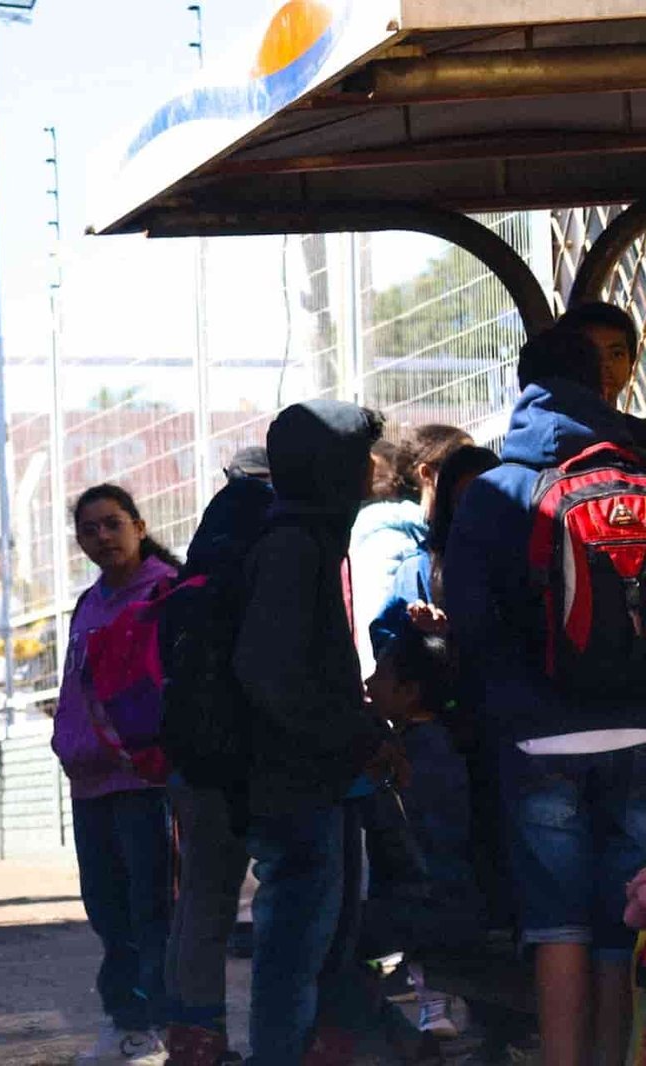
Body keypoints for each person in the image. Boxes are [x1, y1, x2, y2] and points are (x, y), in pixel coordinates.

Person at [446, 326, 646, 1066]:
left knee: (557, 922)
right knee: (625, 917)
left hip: (537, 735)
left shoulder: (499, 488)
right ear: (601, 381)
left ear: (522, 385)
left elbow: (467, 617)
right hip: (638, 729)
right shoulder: (637, 468)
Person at [231, 400, 404, 1066]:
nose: (372, 468)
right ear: (331, 465)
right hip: (294, 782)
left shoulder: (306, 536)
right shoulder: (293, 547)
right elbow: (270, 673)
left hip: (310, 776)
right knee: (293, 949)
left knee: (314, 943)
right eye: (360, 454)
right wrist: (349, 735)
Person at [52, 484, 180, 1066]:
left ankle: (159, 1026)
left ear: (139, 523)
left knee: (151, 908)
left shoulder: (166, 593)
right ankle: (128, 1022)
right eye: (89, 529)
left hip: (143, 783)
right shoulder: (87, 603)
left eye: (111, 524)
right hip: (89, 785)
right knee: (107, 908)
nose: (101, 537)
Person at [164, 447, 264, 1066]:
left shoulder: (201, 555)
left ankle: (194, 1037)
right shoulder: (270, 539)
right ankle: (302, 1033)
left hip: (191, 753)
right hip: (249, 753)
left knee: (201, 897)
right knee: (288, 894)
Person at [360, 628, 482, 1038]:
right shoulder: (438, 742)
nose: (368, 683)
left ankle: (397, 1040)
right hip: (446, 902)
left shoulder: (416, 754)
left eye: (378, 674)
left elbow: (418, 846)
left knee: (332, 940)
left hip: (429, 908)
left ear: (409, 691)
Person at [351, 424, 470, 676]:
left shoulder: (449, 537)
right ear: (427, 473)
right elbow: (380, 636)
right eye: (461, 466)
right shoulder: (389, 539)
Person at [557, 300, 638, 409]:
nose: (604, 363)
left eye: (616, 354)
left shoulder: (632, 426)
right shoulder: (553, 424)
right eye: (589, 352)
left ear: (631, 366)